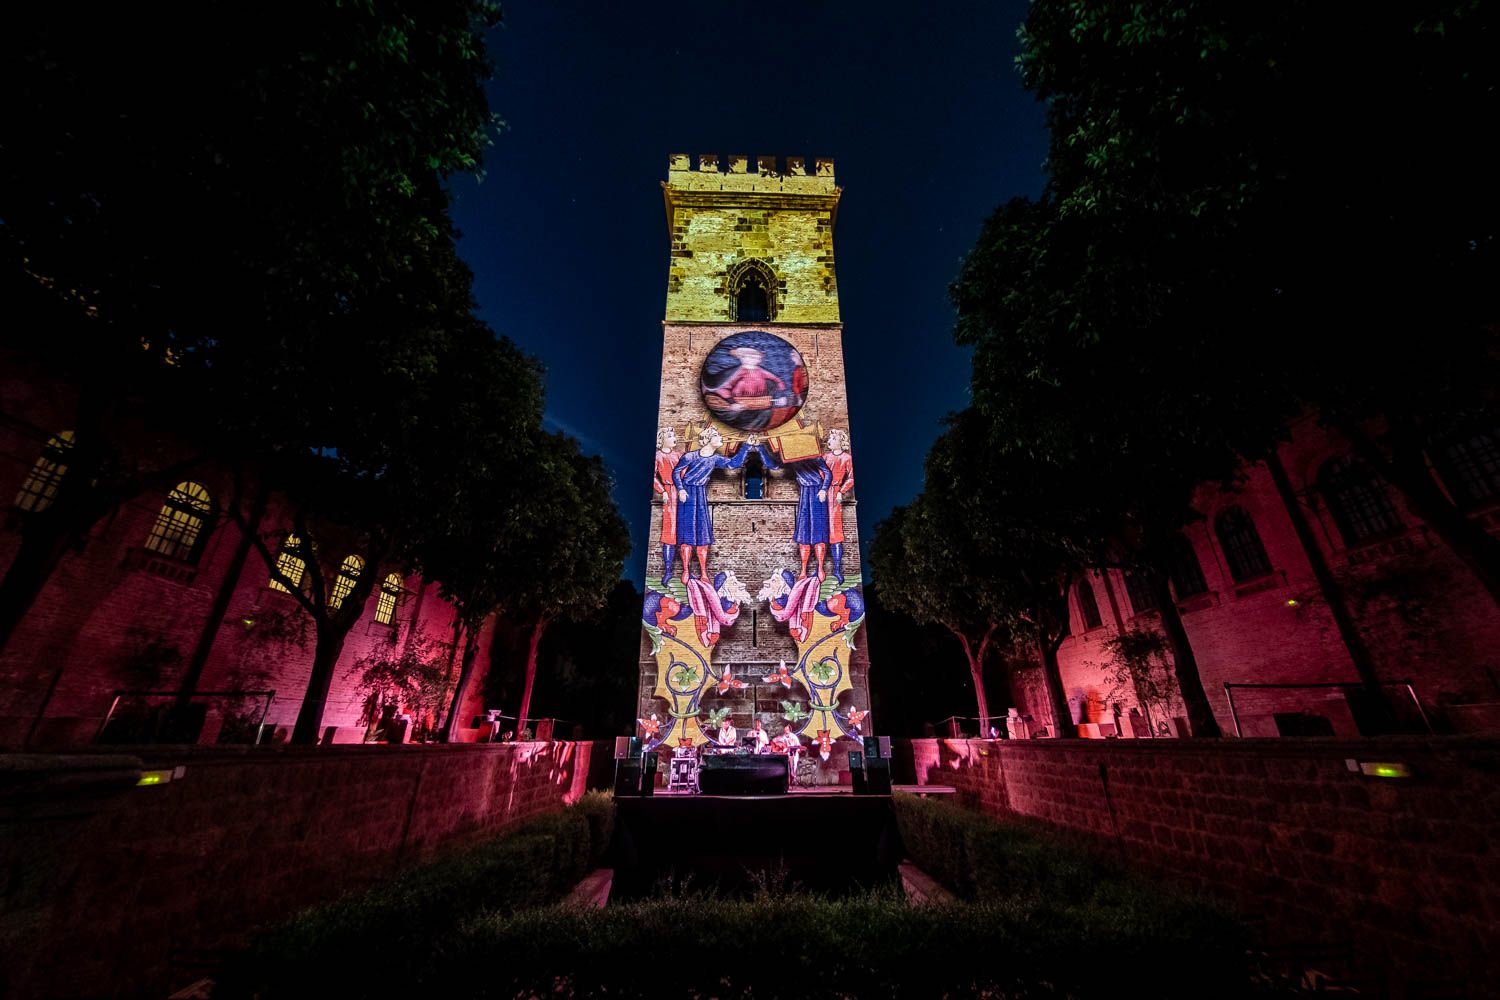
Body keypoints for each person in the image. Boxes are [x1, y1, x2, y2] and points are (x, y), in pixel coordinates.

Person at [673, 428, 763, 582]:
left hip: (700, 494)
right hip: (687, 494)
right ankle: (686, 571)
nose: (721, 437)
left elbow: (734, 464)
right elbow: (676, 472)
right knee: (687, 533)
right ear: (707, 439)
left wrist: (746, 446)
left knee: (703, 533)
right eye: (716, 435)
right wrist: (680, 489)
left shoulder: (715, 459)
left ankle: (703, 572)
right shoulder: (690, 456)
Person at [821, 429, 855, 584]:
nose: (830, 440)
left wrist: (842, 491)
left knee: (835, 534)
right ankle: (820, 568)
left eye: (833, 438)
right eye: (830, 438)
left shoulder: (846, 458)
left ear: (841, 441)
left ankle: (837, 569)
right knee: (821, 530)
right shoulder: (825, 457)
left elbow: (852, 477)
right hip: (821, 494)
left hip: (834, 495)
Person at [651, 427, 682, 586]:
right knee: (669, 534)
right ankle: (668, 571)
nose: (674, 437)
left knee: (685, 531)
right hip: (670, 494)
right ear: (661, 440)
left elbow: (686, 471)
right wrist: (662, 490)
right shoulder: (658, 456)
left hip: (683, 494)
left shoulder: (679, 455)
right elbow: (652, 476)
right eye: (670, 435)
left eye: (674, 435)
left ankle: (686, 571)